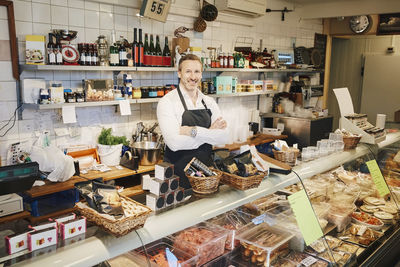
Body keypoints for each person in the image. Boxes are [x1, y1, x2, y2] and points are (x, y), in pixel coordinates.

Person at [157, 54, 229, 189]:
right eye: (188, 71)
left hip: (205, 172)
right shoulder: (167, 102)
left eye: (197, 72)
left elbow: (223, 137)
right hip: (177, 175)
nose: (193, 77)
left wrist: (192, 131)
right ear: (179, 73)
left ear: (201, 74)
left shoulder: (208, 102)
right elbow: (174, 143)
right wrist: (210, 133)